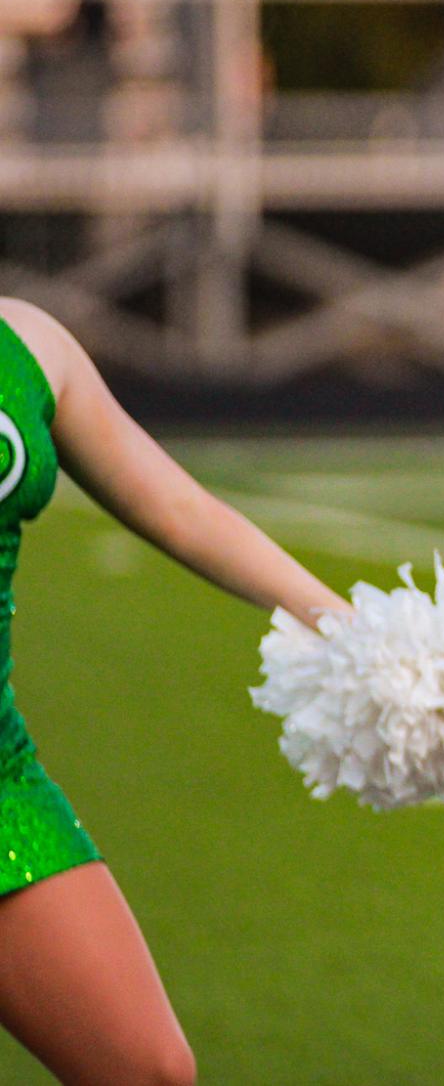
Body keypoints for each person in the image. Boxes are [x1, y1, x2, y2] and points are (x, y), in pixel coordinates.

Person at [0, 298, 349, 1083]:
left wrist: (350, 630)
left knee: (149, 1070)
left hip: (1, 784)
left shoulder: (29, 342)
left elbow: (181, 510)